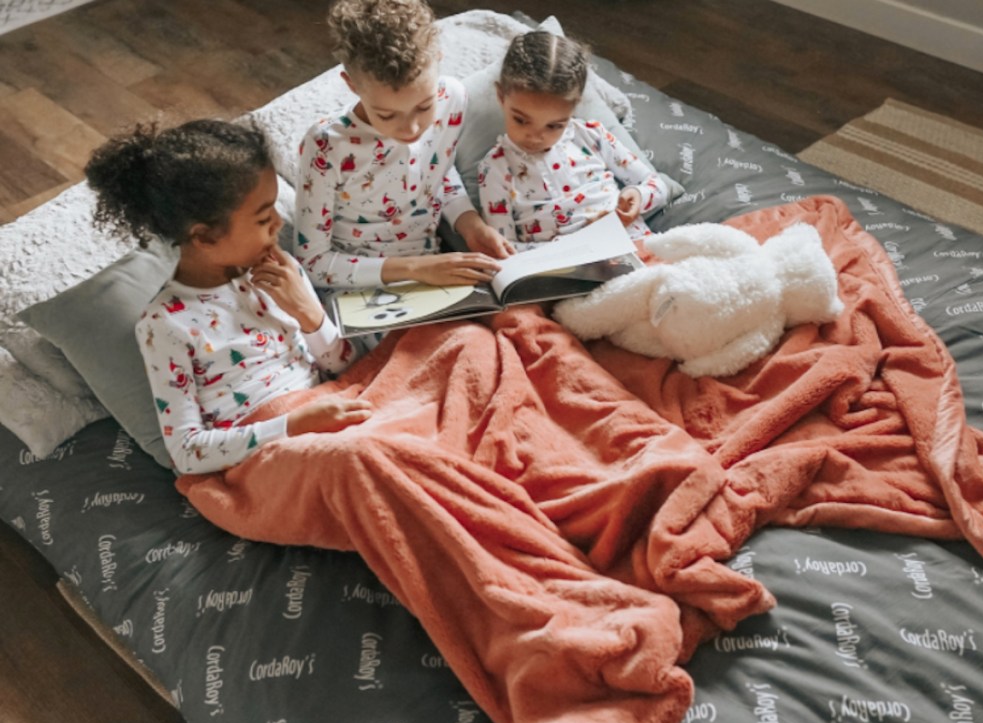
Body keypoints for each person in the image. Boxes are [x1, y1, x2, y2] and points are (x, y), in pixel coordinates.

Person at [85, 118, 374, 475]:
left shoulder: (281, 273)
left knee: (450, 343)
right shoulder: (165, 323)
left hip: (329, 410)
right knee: (360, 456)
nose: (279, 224)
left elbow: (350, 366)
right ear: (204, 237)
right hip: (270, 451)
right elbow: (187, 453)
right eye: (263, 217)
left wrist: (308, 313)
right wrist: (292, 426)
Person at [294, 0, 514, 291]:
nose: (411, 129)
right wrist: (417, 269)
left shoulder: (453, 98)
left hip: (436, 274)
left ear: (438, 58)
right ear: (351, 85)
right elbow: (312, 263)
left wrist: (470, 224)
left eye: (424, 107)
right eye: (387, 115)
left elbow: (437, 170)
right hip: (361, 291)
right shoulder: (326, 145)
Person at [478, 30, 670, 249]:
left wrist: (637, 195)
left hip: (635, 247)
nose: (536, 136)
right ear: (501, 97)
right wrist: (573, 245)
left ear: (574, 107)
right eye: (521, 121)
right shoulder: (495, 168)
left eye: (554, 126)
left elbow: (657, 185)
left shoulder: (592, 136)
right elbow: (504, 248)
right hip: (570, 271)